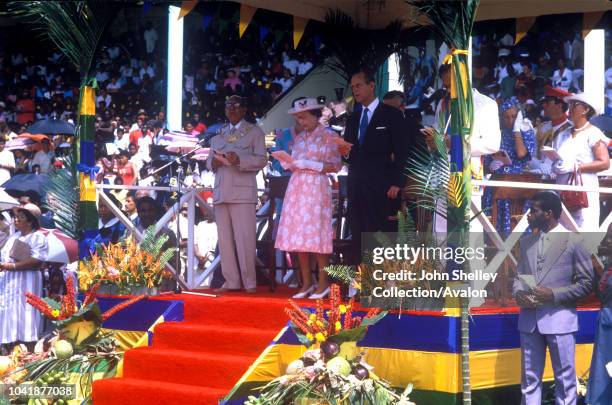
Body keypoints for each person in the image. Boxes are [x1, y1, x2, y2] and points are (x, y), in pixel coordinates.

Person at [513, 191, 593, 405]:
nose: (529, 214)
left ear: (548, 213)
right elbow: (520, 276)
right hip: (529, 321)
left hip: (560, 321)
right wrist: (519, 294)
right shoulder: (527, 242)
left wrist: (554, 294)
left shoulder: (574, 241)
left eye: (533, 210)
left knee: (565, 380)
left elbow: (587, 283)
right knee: (529, 380)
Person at [340, 68, 412, 264]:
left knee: (379, 233)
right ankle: (359, 283)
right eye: (353, 87)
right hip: (356, 184)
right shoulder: (353, 118)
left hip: (381, 186)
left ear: (372, 86)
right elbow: (350, 152)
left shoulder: (391, 114)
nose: (355, 90)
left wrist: (397, 182)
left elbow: (402, 151)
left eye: (359, 85)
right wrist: (343, 151)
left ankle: (380, 282)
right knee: (357, 231)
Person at [275, 97, 342, 299]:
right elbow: (296, 161)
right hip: (297, 186)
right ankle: (306, 283)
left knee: (316, 235)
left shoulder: (328, 135)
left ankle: (323, 283)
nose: (301, 122)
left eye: (304, 117)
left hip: (316, 187)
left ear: (315, 115)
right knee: (299, 235)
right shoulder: (300, 137)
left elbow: (336, 165)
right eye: (298, 118)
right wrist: (291, 163)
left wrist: (313, 165)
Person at [206, 95, 267, 293]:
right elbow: (208, 162)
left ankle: (250, 282)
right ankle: (231, 281)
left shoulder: (254, 132)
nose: (231, 109)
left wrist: (239, 159)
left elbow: (261, 160)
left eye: (236, 105)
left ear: (244, 109)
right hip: (222, 191)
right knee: (224, 241)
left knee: (245, 240)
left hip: (242, 192)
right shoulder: (218, 134)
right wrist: (213, 162)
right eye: (228, 106)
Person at [552, 93, 609, 231]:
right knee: (562, 234)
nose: (569, 109)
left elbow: (604, 162)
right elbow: (556, 158)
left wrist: (575, 167)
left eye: (574, 105)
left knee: (583, 233)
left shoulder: (593, 133)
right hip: (562, 190)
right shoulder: (562, 134)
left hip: (583, 192)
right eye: (569, 105)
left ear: (585, 110)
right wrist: (555, 165)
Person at [482, 97, 536, 238]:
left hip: (516, 187)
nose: (510, 121)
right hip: (496, 185)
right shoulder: (496, 134)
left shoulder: (526, 132)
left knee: (516, 227)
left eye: (513, 116)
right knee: (493, 226)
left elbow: (521, 153)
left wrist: (517, 130)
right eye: (506, 117)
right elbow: (486, 164)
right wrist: (490, 167)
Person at [0, 204, 48, 351]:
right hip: (9, 281)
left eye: (21, 217)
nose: (16, 219)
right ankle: (10, 347)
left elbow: (37, 259)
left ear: (30, 221)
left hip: (26, 281)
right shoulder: (13, 236)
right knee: (9, 310)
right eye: (16, 216)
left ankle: (29, 347)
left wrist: (13, 266)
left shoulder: (38, 237)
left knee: (26, 312)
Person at [586, 243, 612, 405]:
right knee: (602, 377)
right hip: (605, 329)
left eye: (611, 238)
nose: (607, 242)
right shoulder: (609, 265)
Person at [527, 86, 572, 175]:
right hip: (540, 174)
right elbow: (534, 154)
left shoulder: (571, 129)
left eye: (547, 102)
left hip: (561, 175)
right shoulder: (542, 127)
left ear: (559, 105)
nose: (544, 105)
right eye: (544, 102)